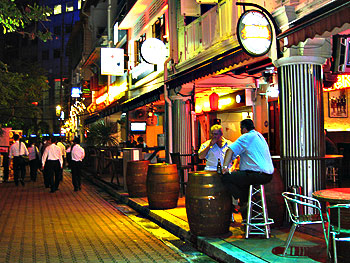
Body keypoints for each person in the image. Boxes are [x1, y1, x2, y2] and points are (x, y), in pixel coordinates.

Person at [222, 119, 274, 213]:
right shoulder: (259, 136)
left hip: (256, 174)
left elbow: (230, 150)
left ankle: (246, 202)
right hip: (267, 175)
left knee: (225, 178)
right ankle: (248, 212)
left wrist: (225, 168)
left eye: (241, 129)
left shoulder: (246, 136)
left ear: (244, 129)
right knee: (242, 181)